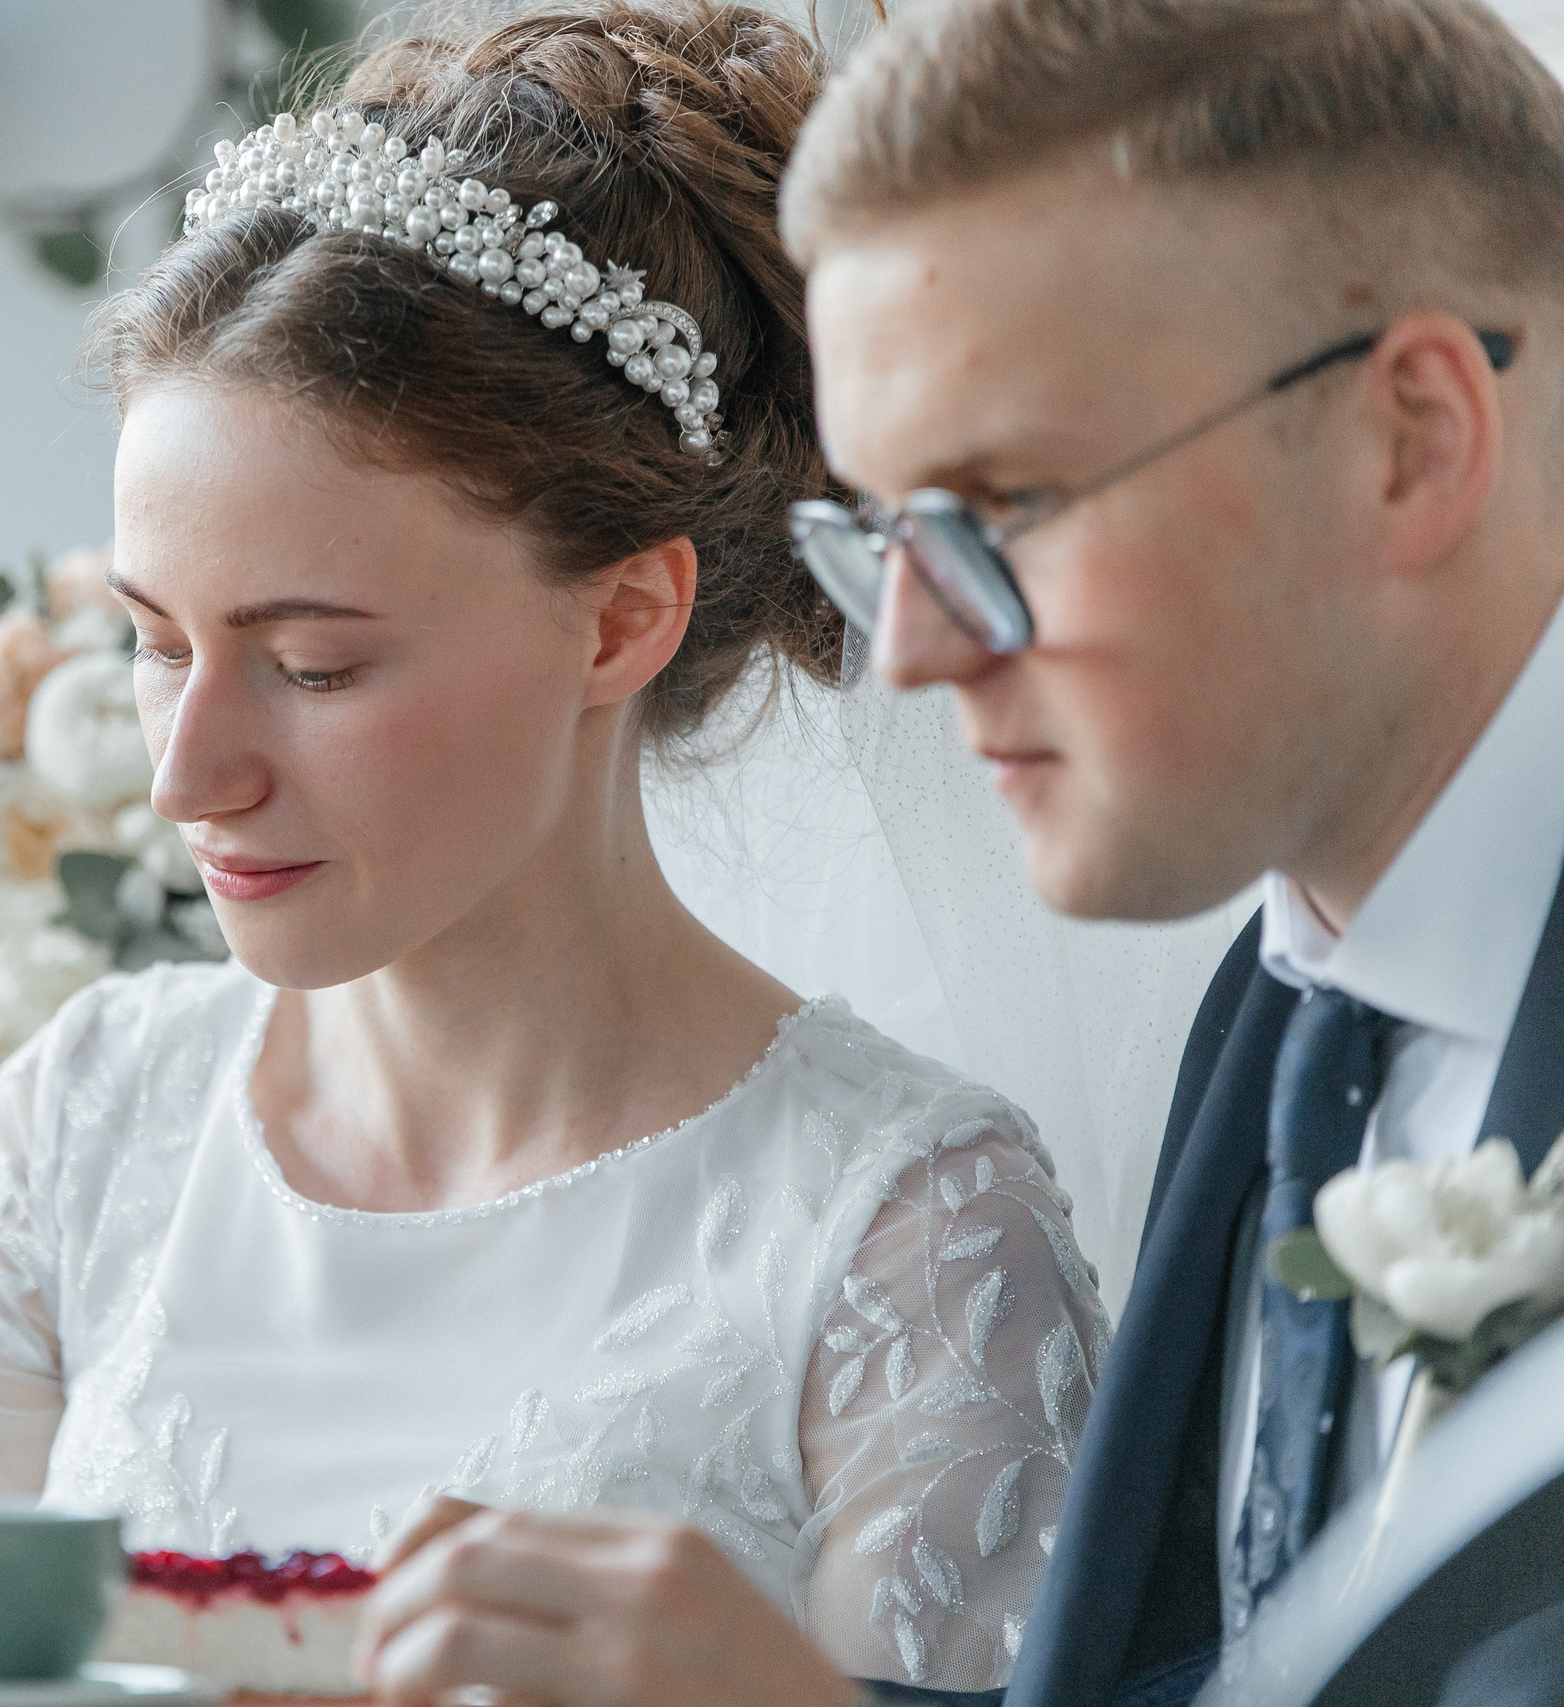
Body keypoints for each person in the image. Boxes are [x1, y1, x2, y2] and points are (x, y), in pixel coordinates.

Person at [0, 4, 1110, 1693]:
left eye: (314, 667)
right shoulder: (95, 1112)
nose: (187, 774)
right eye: (154, 642)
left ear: (621, 621)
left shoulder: (902, 1232)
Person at [353, 1, 1564, 1704]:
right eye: (888, 532)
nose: (910, 651)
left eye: (1004, 511)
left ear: (1409, 440)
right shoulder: (1287, 1006)